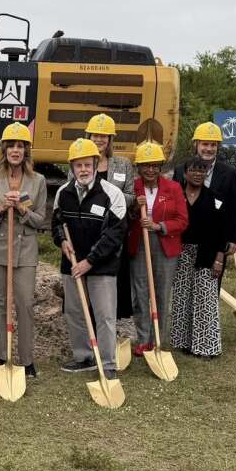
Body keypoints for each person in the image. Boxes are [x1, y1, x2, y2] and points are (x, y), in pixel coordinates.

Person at [0, 122, 49, 378]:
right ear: (4, 150)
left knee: (25, 303)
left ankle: (26, 360)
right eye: (11, 146)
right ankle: (2, 355)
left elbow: (41, 220)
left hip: (25, 249)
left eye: (20, 146)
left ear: (26, 151)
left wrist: (21, 210)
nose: (15, 151)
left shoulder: (38, 181)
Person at [52, 138, 126, 378]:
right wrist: (61, 240)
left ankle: (107, 364)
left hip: (101, 266)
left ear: (96, 164)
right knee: (74, 312)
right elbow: (56, 223)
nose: (83, 169)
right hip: (71, 265)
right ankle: (83, 357)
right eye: (78, 165)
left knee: (104, 315)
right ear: (71, 167)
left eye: (87, 164)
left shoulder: (111, 194)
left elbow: (115, 234)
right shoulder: (63, 193)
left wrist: (90, 261)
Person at [127, 141, 188, 356]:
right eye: (146, 165)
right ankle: (143, 340)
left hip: (165, 246)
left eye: (154, 165)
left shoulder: (173, 188)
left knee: (161, 294)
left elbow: (182, 220)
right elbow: (124, 216)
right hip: (139, 246)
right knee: (141, 294)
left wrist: (159, 226)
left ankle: (159, 340)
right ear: (138, 167)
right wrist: (135, 206)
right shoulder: (132, 187)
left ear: (160, 166)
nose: (150, 170)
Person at [170, 156, 226, 359]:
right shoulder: (177, 196)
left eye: (202, 171)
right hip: (180, 252)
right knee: (182, 298)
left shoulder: (215, 198)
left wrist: (219, 259)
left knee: (205, 299)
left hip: (207, 254)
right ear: (185, 173)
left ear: (206, 174)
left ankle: (206, 346)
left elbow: (222, 232)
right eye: (193, 170)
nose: (197, 173)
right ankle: (184, 341)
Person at [173, 122, 236, 270]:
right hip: (184, 239)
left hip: (215, 241)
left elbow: (235, 209)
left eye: (213, 145)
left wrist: (234, 238)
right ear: (195, 144)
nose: (209, 149)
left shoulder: (231, 174)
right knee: (182, 288)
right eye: (205, 144)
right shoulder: (180, 171)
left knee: (209, 288)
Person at [86, 113, 136, 320]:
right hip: (88, 232)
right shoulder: (81, 163)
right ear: (88, 137)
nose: (99, 139)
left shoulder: (123, 165)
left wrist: (108, 194)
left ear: (110, 140)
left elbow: (131, 197)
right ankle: (90, 328)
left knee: (112, 282)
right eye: (95, 135)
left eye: (104, 136)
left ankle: (109, 328)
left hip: (115, 235)